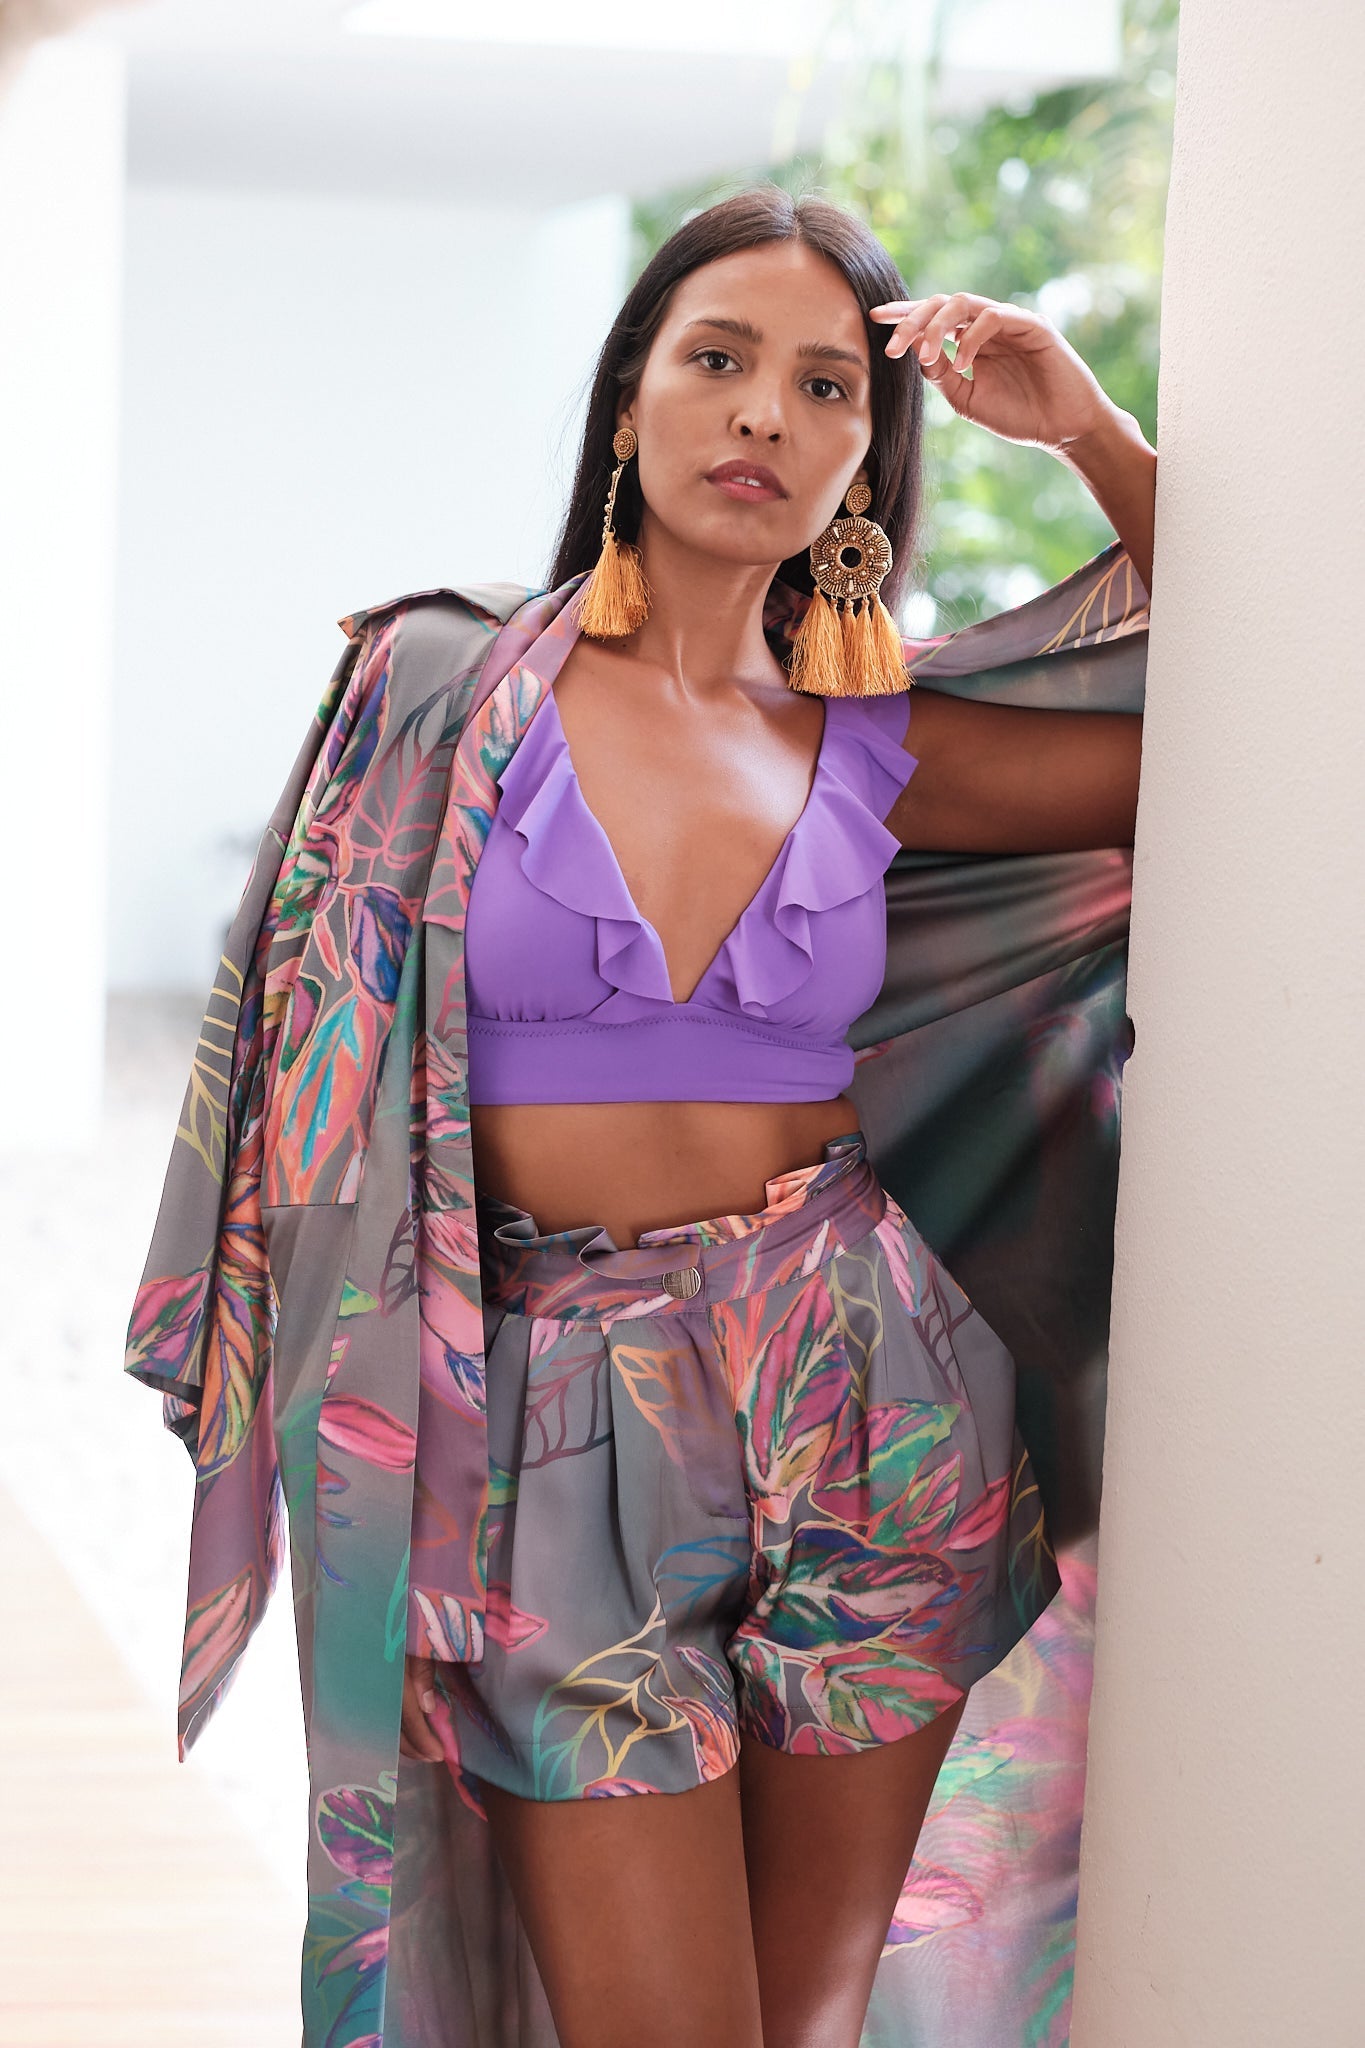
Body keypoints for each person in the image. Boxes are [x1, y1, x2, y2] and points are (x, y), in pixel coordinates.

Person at [126, 186, 1153, 2048]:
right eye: (718, 360)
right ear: (627, 405)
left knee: (806, 2023)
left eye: (826, 384)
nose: (765, 413)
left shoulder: (876, 745)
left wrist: (1088, 429)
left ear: (863, 455)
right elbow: (295, 1053)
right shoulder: (436, 690)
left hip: (872, 1391)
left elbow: (1263, 716)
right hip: (548, 1416)